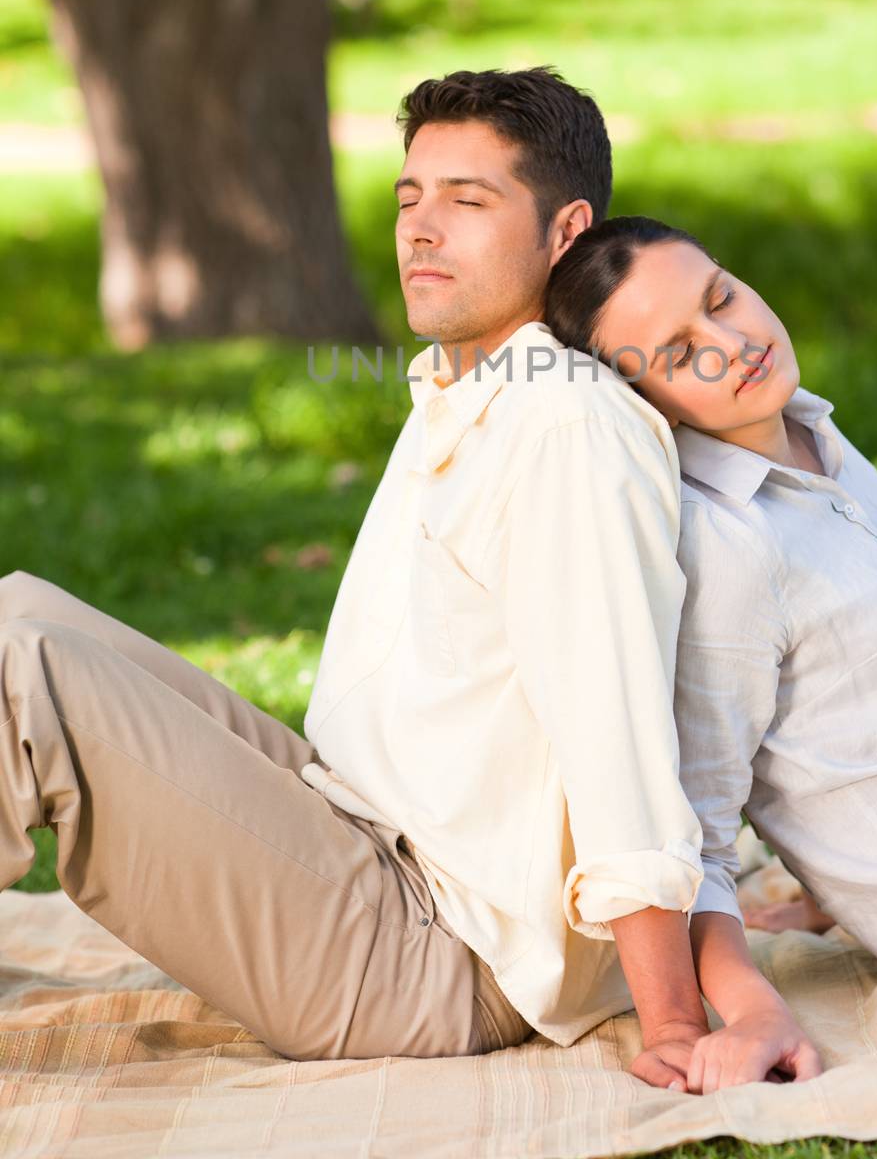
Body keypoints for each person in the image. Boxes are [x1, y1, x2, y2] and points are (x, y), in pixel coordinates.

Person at [0, 70, 818, 1093]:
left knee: (19, 670)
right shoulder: (469, 382)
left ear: (563, 231)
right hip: (356, 833)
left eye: (467, 202)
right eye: (409, 198)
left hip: (430, 954)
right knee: (18, 607)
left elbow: (615, 737)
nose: (422, 229)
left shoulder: (563, 425)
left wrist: (669, 1022)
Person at [544, 213, 877, 1074]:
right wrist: (744, 1006)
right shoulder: (724, 552)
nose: (730, 341)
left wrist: (838, 891)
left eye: (720, 297)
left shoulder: (805, 429)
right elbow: (699, 836)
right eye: (678, 353)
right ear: (641, 403)